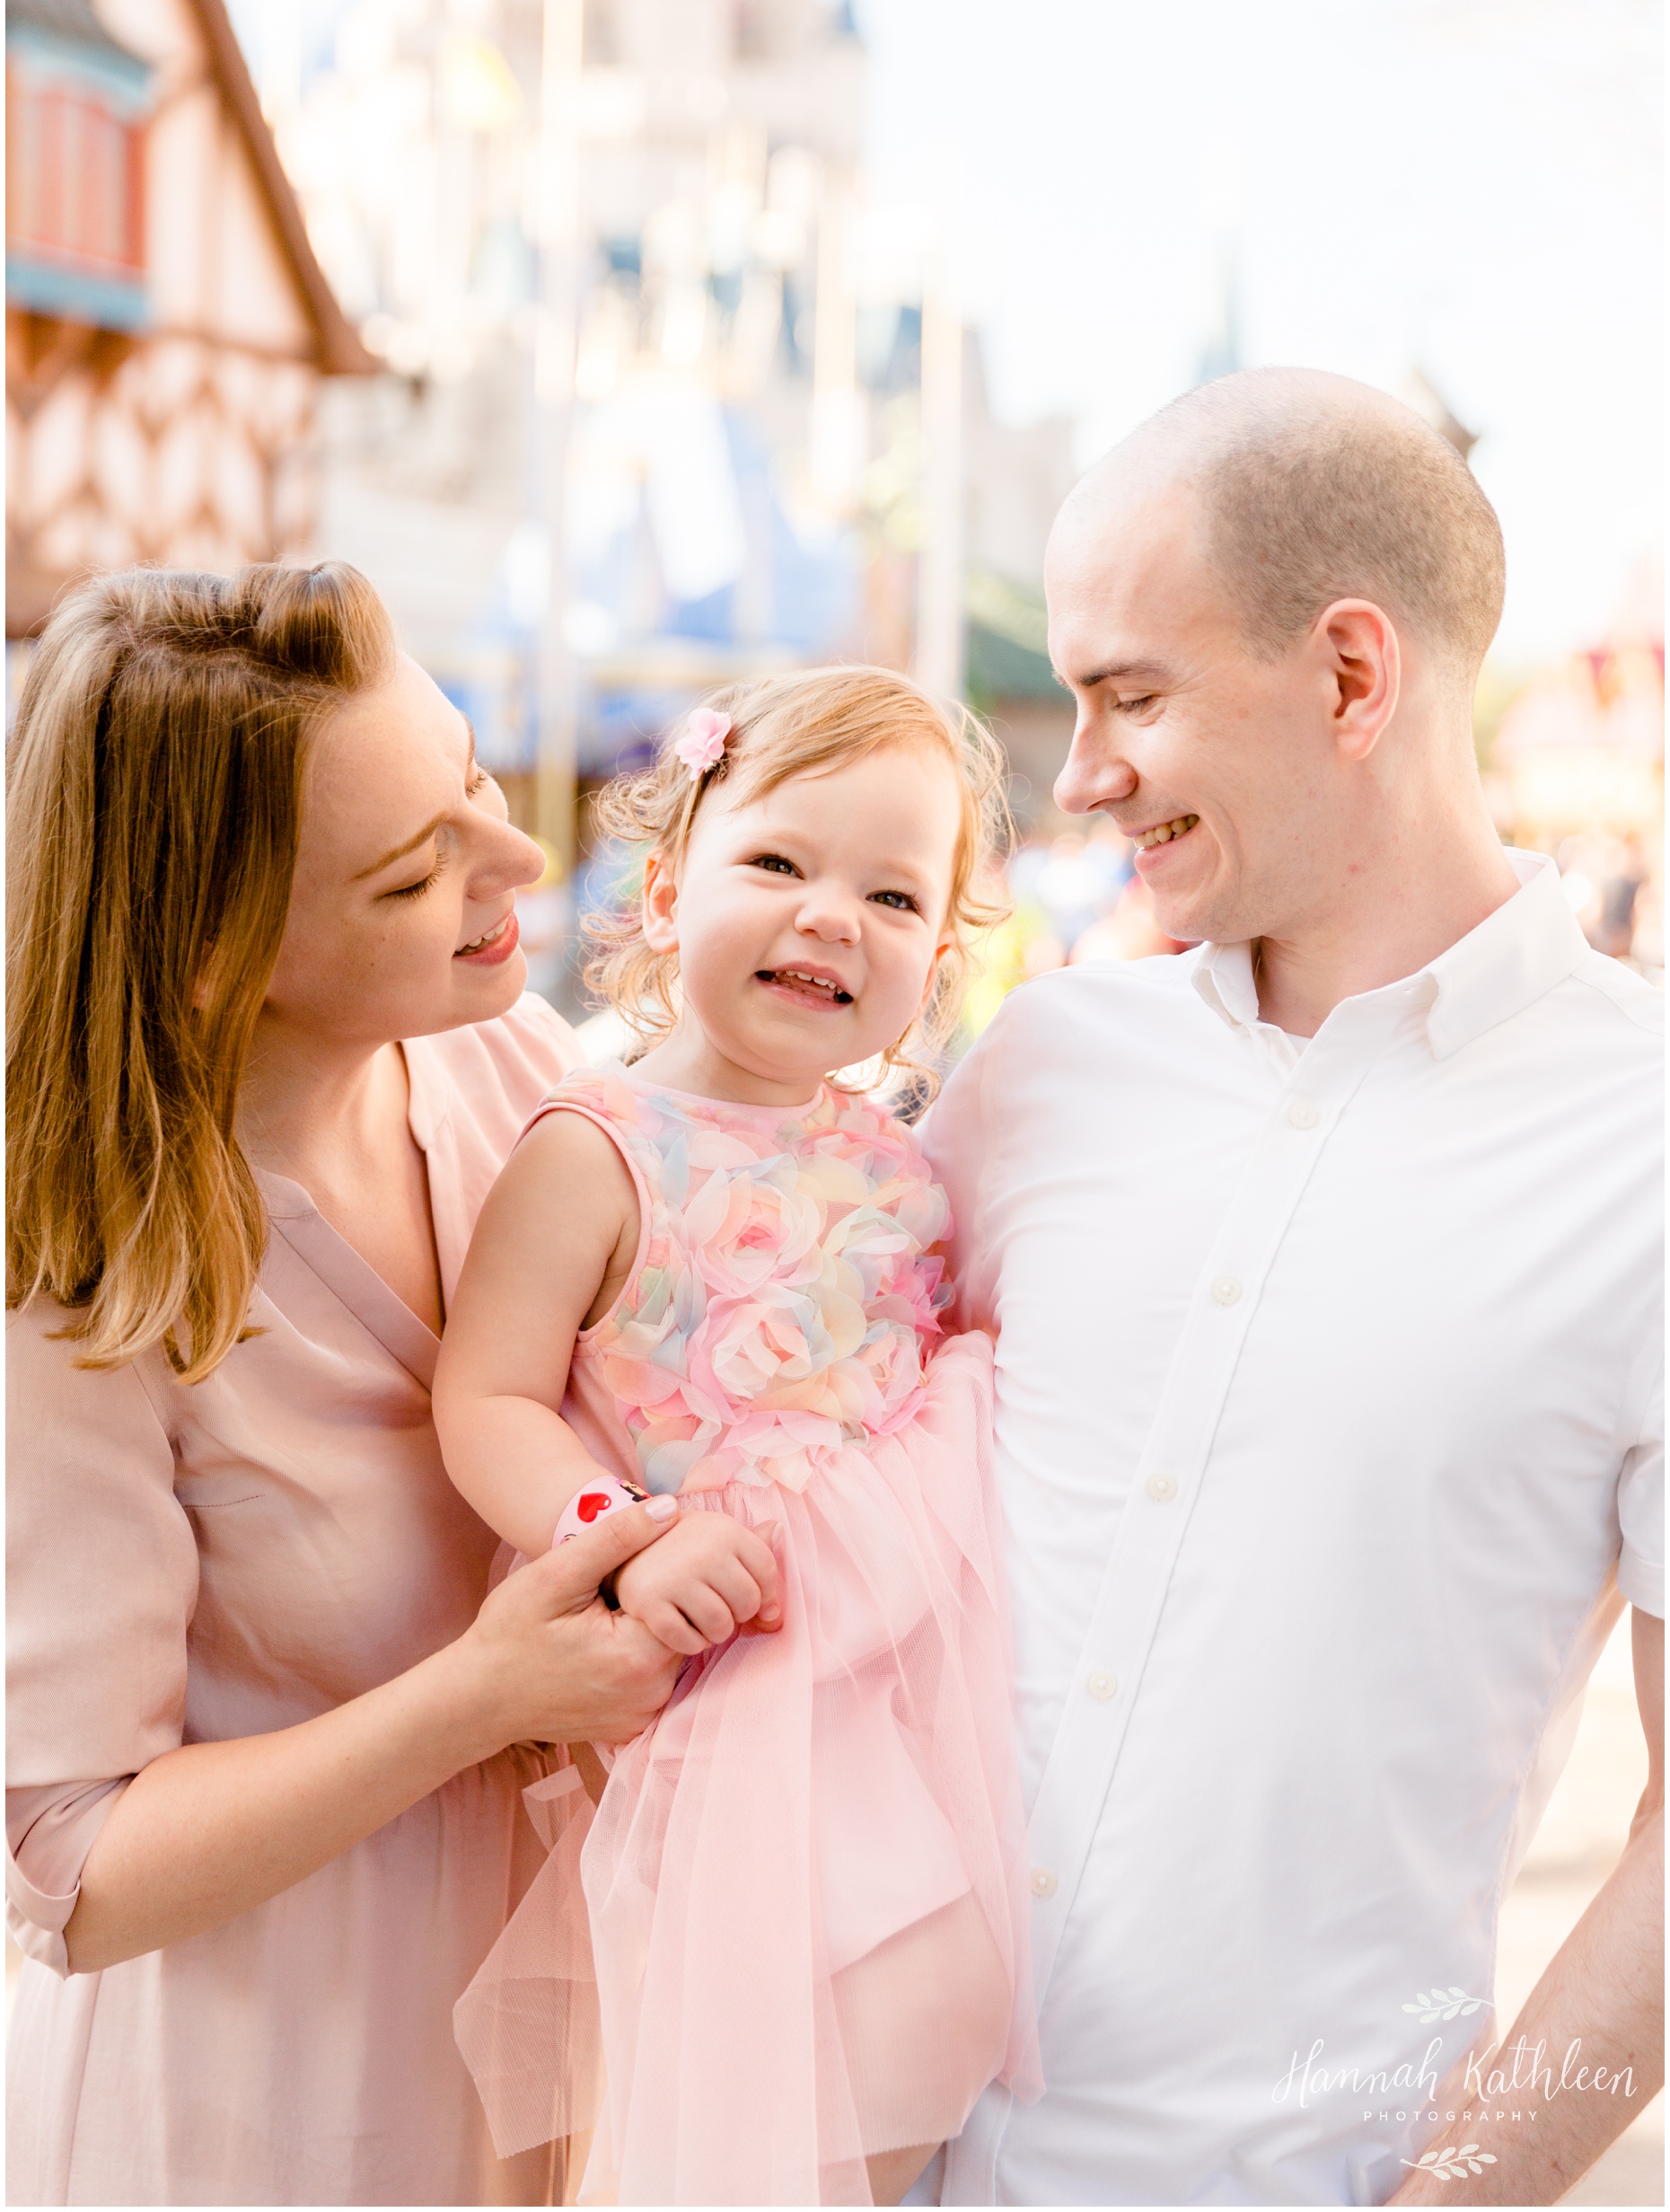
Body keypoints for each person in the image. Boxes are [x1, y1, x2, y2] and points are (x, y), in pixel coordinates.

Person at [918, 369, 1663, 2208]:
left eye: (1131, 695)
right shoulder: (1030, 1073)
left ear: (1348, 676)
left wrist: (1461, 2198)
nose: (1078, 774)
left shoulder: (1647, 1144)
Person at [5, 565, 691, 2209]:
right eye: (416, 871)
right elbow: (78, 1867)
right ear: (214, 958)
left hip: (564, 2056)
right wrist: (482, 1695)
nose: (518, 861)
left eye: (468, 777)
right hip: (279, 2108)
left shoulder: (509, 1065)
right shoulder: (79, 1281)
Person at [432, 669, 1039, 2208]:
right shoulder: (595, 1149)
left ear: (939, 962)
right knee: (749, 2061)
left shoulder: (904, 1163)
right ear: (661, 889)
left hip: (923, 1656)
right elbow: (486, 1394)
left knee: (942, 1998)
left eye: (893, 895)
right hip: (740, 1661)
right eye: (778, 863)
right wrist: (617, 1539)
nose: (832, 916)